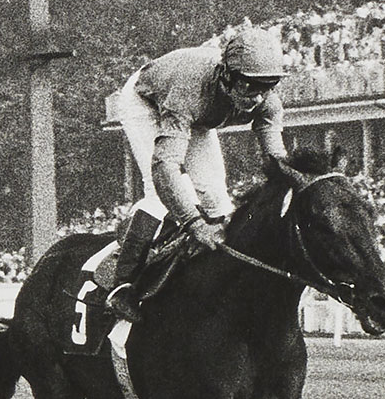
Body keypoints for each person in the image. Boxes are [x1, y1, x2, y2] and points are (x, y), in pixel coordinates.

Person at [104, 26, 295, 322]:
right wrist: (194, 223)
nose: (257, 97)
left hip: (199, 115)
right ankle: (122, 283)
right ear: (226, 75)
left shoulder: (268, 101)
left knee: (218, 200)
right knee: (161, 195)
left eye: (267, 86)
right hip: (148, 100)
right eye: (249, 86)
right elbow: (165, 167)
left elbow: (277, 161)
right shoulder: (188, 90)